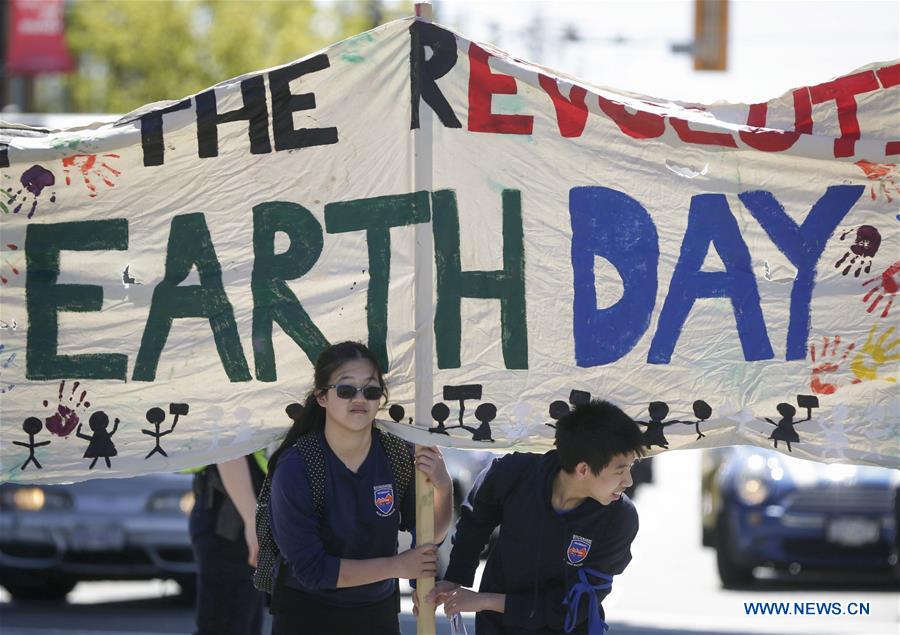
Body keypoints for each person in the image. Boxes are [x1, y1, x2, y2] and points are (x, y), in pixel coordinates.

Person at [267, 341, 453, 634]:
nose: (359, 398)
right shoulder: (298, 465)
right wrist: (397, 567)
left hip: (378, 614)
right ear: (322, 397)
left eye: (371, 390)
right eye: (345, 389)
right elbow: (312, 569)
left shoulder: (396, 453)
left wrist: (444, 487)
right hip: (308, 615)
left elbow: (427, 537)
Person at [426, 399, 646, 635]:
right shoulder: (514, 473)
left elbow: (572, 608)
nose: (629, 481)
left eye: (631, 467)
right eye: (620, 471)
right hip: (497, 627)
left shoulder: (620, 518)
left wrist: (485, 600)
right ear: (583, 469)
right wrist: (455, 577)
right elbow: (474, 521)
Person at [190, 453, 267, 635]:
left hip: (235, 516)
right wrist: (252, 521)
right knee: (229, 624)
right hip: (230, 522)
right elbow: (228, 447)